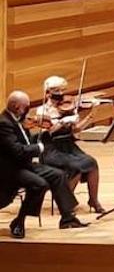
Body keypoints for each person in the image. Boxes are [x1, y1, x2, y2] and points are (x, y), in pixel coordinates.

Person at [0, 91, 88, 238]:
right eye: (26, 106)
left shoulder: (17, 120)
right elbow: (17, 151)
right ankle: (19, 221)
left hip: (24, 165)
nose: (29, 109)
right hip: (11, 169)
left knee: (58, 175)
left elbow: (26, 143)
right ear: (16, 106)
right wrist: (39, 148)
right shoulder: (4, 124)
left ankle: (68, 218)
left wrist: (45, 134)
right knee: (39, 184)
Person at [30, 75, 106, 215]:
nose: (60, 94)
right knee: (76, 167)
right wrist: (63, 121)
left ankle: (93, 200)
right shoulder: (42, 111)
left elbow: (76, 130)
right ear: (47, 92)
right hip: (51, 149)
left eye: (62, 90)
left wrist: (91, 115)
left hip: (69, 146)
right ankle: (65, 201)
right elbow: (50, 131)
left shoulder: (68, 107)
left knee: (91, 163)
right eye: (56, 91)